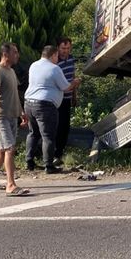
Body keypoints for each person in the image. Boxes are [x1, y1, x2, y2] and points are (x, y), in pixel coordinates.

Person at [0, 42, 30, 197]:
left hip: (12, 115)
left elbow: (14, 94)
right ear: (6, 54)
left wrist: (22, 112)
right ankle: (10, 184)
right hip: (1, 117)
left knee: (2, 150)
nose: (17, 55)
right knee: (10, 148)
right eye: (15, 52)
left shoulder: (10, 71)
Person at [25, 45, 80, 174]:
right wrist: (75, 83)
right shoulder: (55, 69)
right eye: (57, 56)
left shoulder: (34, 65)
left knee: (33, 133)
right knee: (48, 136)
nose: (58, 58)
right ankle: (49, 165)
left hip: (29, 103)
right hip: (45, 105)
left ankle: (29, 162)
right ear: (53, 55)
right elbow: (65, 87)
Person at [53, 37, 77, 167]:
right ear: (58, 48)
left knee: (65, 127)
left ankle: (59, 154)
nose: (65, 51)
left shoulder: (71, 59)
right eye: (63, 48)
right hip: (57, 100)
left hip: (67, 98)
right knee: (56, 127)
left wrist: (74, 96)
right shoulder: (55, 62)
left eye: (68, 48)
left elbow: (72, 75)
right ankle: (53, 155)